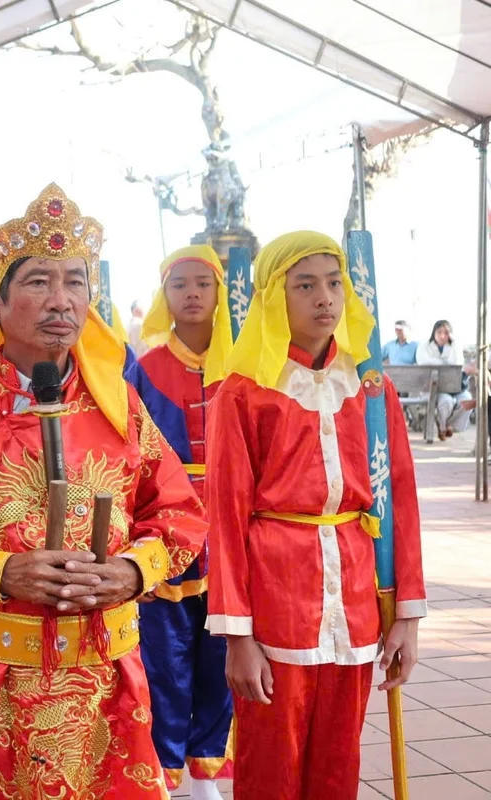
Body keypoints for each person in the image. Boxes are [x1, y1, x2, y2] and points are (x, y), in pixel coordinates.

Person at [0, 184, 208, 798]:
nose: (61, 301)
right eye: (38, 282)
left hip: (109, 677)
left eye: (75, 282)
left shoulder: (119, 405)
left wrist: (134, 571)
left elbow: (179, 511)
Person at [205, 231, 426, 800]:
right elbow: (225, 516)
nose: (324, 297)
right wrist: (237, 636)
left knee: (338, 759)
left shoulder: (372, 389)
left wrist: (406, 614)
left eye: (334, 282)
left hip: (354, 596)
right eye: (305, 285)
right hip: (276, 601)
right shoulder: (243, 392)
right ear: (275, 297)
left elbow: (397, 498)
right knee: (270, 761)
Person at [125, 245, 233, 800]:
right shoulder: (144, 370)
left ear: (220, 293)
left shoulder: (243, 365)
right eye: (179, 285)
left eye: (203, 283)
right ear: (164, 296)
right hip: (166, 525)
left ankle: (207, 773)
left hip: (233, 525)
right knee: (165, 658)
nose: (192, 294)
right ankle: (164, 771)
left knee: (224, 653)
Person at [416, 319, 474, 440]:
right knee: (446, 402)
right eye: (439, 332)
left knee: (468, 400)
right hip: (436, 389)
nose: (442, 336)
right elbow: (423, 361)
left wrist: (453, 343)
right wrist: (444, 362)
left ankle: (449, 426)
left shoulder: (455, 345)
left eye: (446, 333)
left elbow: (457, 363)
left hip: (456, 388)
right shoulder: (424, 346)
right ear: (434, 333)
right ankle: (443, 428)